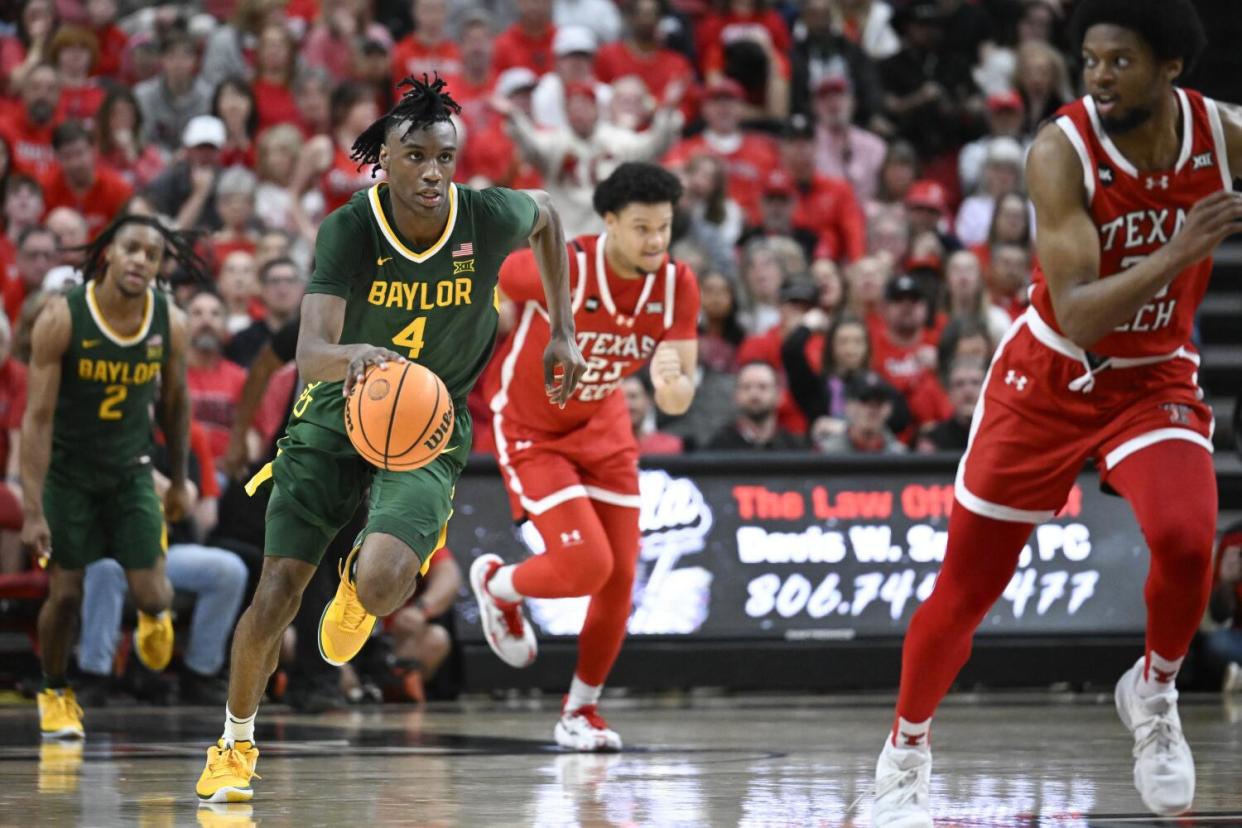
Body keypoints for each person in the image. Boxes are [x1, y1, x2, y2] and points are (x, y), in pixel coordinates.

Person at [872, 2, 1242, 823]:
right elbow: (1078, 313)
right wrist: (1180, 249)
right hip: (1049, 377)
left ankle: (1152, 692)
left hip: (1153, 381)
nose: (1101, 78)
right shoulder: (1058, 149)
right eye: (1091, 61)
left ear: (1170, 67)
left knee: (1187, 542)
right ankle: (905, 749)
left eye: (1120, 62)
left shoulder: (1222, 134)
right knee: (967, 589)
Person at [194, 75, 586, 803]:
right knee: (277, 590)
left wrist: (562, 329)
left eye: (445, 156)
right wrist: (356, 357)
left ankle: (356, 584)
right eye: (416, 156)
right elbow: (311, 351)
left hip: (429, 423)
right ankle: (234, 742)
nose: (433, 171)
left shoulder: (486, 215)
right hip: (335, 410)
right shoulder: (350, 227)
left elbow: (551, 216)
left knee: (379, 583)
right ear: (384, 160)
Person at [474, 162, 698, 751]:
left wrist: (674, 384)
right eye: (642, 227)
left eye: (664, 228)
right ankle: (499, 585)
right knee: (586, 566)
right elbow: (488, 271)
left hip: (605, 425)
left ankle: (580, 712)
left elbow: (677, 393)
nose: (655, 241)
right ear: (609, 223)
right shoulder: (566, 265)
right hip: (531, 426)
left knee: (621, 579)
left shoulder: (678, 285)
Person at [22, 214, 199, 740]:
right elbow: (37, 419)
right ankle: (54, 690)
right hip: (70, 475)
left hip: (131, 474)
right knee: (68, 594)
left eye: (153, 253)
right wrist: (32, 509)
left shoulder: (171, 321)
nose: (142, 260)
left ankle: (153, 614)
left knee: (153, 597)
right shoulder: (63, 317)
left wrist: (183, 479)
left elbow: (177, 404)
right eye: (132, 249)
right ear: (108, 254)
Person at [706, 361, 805, 451]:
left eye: (763, 387)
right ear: (736, 396)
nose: (754, 394)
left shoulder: (793, 447)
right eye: (746, 387)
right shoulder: (719, 447)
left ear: (779, 395)